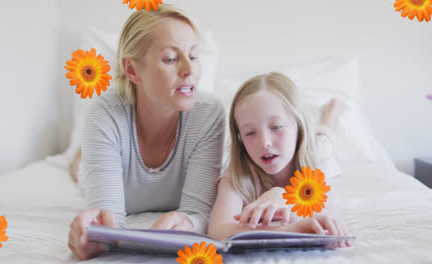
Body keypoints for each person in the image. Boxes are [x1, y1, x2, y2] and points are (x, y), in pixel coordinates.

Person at [68, 4, 225, 260]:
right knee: (79, 170)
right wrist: (95, 237)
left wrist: (188, 222)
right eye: (171, 59)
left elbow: (200, 211)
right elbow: (109, 222)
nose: (189, 70)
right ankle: (77, 156)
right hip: (99, 151)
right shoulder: (105, 113)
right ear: (131, 70)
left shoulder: (208, 113)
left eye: (194, 56)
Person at [208, 72, 351, 248]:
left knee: (324, 134)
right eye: (250, 133)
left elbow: (320, 212)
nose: (265, 143)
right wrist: (288, 231)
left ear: (298, 126)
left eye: (276, 127)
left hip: (318, 143)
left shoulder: (318, 155)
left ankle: (330, 114)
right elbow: (218, 230)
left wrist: (283, 197)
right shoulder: (237, 172)